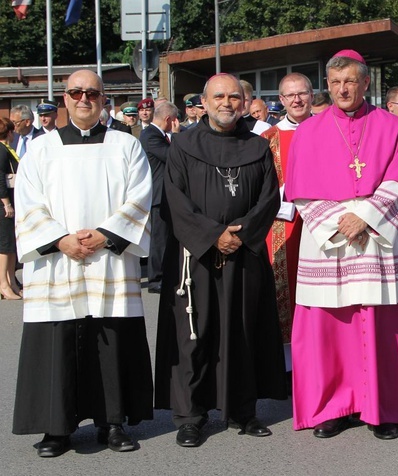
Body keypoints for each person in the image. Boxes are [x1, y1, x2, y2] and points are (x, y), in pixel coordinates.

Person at [12, 69, 154, 457]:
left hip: (108, 258)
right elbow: (28, 202)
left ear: (103, 98)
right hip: (58, 261)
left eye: (92, 93)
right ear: (64, 98)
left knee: (110, 340)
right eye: (76, 92)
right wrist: (60, 239)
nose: (84, 99)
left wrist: (106, 235)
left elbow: (140, 196)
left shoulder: (125, 145)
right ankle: (57, 428)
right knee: (58, 340)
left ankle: (114, 423)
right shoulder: (41, 149)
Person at [285, 50, 398, 440]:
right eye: (336, 82)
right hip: (328, 241)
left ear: (364, 84)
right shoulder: (308, 131)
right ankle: (333, 408)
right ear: (328, 84)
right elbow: (299, 190)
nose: (343, 89)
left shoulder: (391, 126)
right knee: (330, 325)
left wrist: (366, 216)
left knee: (378, 322)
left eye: (351, 82)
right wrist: (339, 223)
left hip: (373, 239)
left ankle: (383, 408)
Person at [154, 73, 287, 448]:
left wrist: (239, 235)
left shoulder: (258, 147)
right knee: (194, 335)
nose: (226, 103)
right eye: (218, 97)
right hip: (194, 256)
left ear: (244, 103)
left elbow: (268, 198)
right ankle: (192, 416)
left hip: (243, 254)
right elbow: (175, 198)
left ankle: (243, 410)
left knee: (242, 330)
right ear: (205, 102)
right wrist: (213, 235)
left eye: (233, 97)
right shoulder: (183, 144)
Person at [260, 73, 312, 371]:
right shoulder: (267, 139)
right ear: (281, 100)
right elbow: (261, 188)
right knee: (285, 289)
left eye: (302, 93)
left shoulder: (329, 129)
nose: (296, 100)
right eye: (290, 95)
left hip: (324, 226)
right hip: (283, 224)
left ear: (311, 95)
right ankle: (288, 365)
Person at [140, 101, 180, 295]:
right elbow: (171, 156)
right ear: (168, 119)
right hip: (158, 195)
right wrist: (178, 136)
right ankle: (155, 279)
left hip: (167, 194)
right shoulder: (151, 135)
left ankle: (164, 274)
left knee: (167, 238)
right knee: (159, 240)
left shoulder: (160, 135)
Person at [0, 117, 22, 300]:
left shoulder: (7, 149)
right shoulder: (1, 149)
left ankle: (12, 282)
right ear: (8, 132)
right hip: (4, 205)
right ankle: (3, 284)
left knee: (11, 245)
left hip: (11, 201)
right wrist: (6, 203)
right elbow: (0, 178)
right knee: (5, 245)